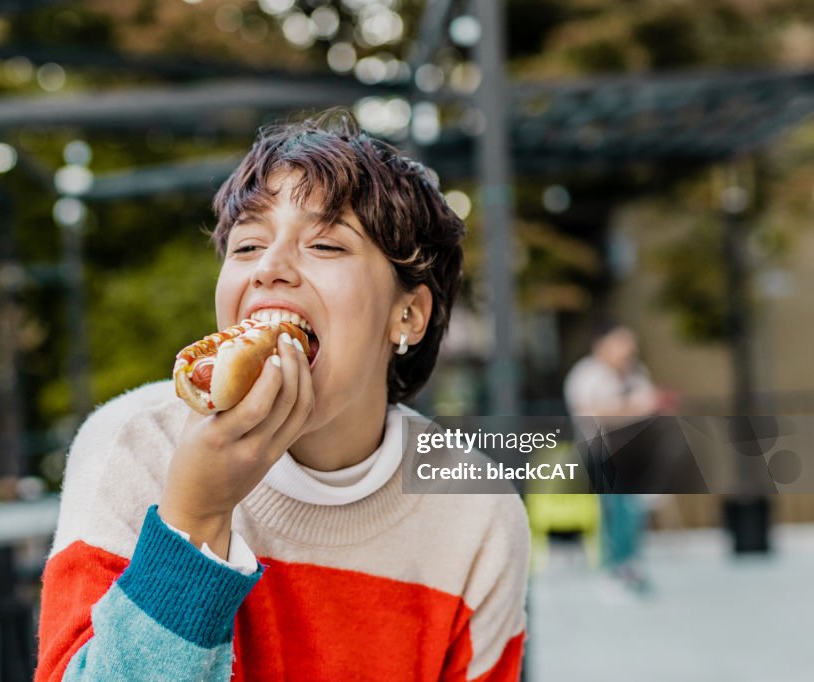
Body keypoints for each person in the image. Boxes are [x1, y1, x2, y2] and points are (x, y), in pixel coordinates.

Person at [35, 111, 530, 681]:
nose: (270, 268)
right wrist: (195, 518)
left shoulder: (476, 511)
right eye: (247, 246)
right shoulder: (134, 445)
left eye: (325, 244)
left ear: (409, 313)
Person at [563, 321, 659, 594]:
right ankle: (617, 566)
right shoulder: (586, 375)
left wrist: (622, 409)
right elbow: (595, 414)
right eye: (622, 341)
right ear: (602, 344)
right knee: (617, 507)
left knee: (633, 508)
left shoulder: (635, 373)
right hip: (600, 452)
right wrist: (629, 408)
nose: (629, 348)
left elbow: (646, 407)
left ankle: (630, 563)